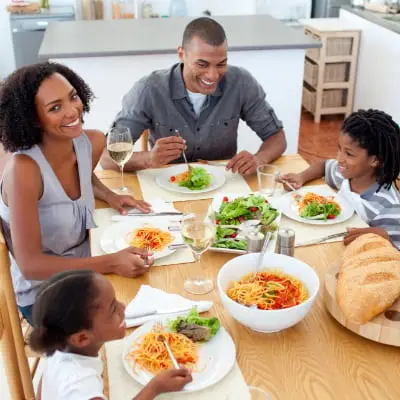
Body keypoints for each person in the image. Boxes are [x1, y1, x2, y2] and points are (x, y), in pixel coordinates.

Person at [0, 62, 154, 325]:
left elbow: (82, 175)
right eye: (55, 107)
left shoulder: (91, 142)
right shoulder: (24, 170)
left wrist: (110, 195)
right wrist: (110, 263)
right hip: (45, 292)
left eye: (73, 97)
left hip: (88, 261)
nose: (73, 111)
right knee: (125, 325)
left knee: (155, 294)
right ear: (32, 118)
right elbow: (31, 266)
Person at [100, 17, 287, 176]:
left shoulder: (241, 83)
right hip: (165, 187)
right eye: (202, 64)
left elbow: (276, 137)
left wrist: (258, 159)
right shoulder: (148, 90)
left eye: (221, 64)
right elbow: (106, 157)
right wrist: (149, 159)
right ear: (181, 54)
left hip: (224, 189)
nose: (213, 76)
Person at [29, 270, 192, 399]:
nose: (123, 307)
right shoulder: (82, 386)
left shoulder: (58, 344)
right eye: (113, 309)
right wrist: (155, 388)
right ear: (82, 338)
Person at [280, 109, 400, 248]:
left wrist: (381, 236)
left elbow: (395, 253)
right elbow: (324, 165)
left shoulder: (388, 206)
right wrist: (301, 177)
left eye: (349, 154)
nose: (339, 159)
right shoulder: (345, 175)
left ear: (375, 160)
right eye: (339, 149)